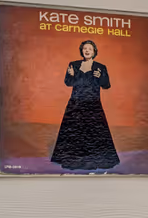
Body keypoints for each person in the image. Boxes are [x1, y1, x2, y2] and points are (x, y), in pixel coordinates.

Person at [51, 39, 120, 171]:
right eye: (84, 49)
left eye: (90, 49)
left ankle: (92, 160)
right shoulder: (74, 65)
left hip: (93, 104)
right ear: (82, 51)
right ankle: (74, 160)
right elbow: (68, 83)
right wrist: (70, 75)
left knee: (93, 133)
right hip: (75, 103)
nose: (87, 50)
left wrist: (101, 77)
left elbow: (106, 85)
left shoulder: (101, 67)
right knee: (74, 133)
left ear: (94, 52)